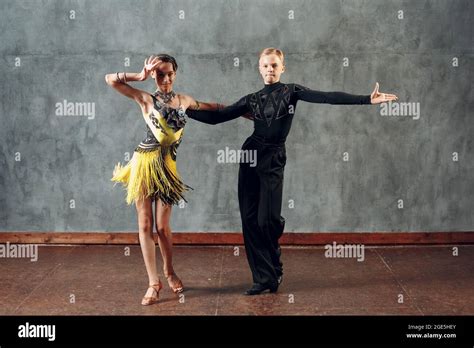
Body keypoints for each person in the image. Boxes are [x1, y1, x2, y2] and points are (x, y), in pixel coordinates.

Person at [186, 48, 398, 295]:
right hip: (251, 157)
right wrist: (185, 111)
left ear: (282, 68)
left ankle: (274, 260)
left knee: (268, 220)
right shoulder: (252, 98)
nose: (270, 70)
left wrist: (366, 99)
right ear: (259, 68)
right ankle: (264, 278)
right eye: (265, 66)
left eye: (274, 65)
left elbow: (327, 97)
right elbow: (218, 117)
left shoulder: (291, 92)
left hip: (274, 158)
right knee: (250, 219)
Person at [105, 54, 222, 305]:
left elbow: (213, 108)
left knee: (162, 227)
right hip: (144, 165)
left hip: (168, 168)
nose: (165, 78)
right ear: (154, 76)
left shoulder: (184, 100)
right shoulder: (145, 98)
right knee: (145, 225)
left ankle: (170, 271)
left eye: (169, 74)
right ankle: (153, 282)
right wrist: (138, 76)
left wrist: (243, 111)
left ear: (175, 74)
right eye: (160, 75)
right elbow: (110, 80)